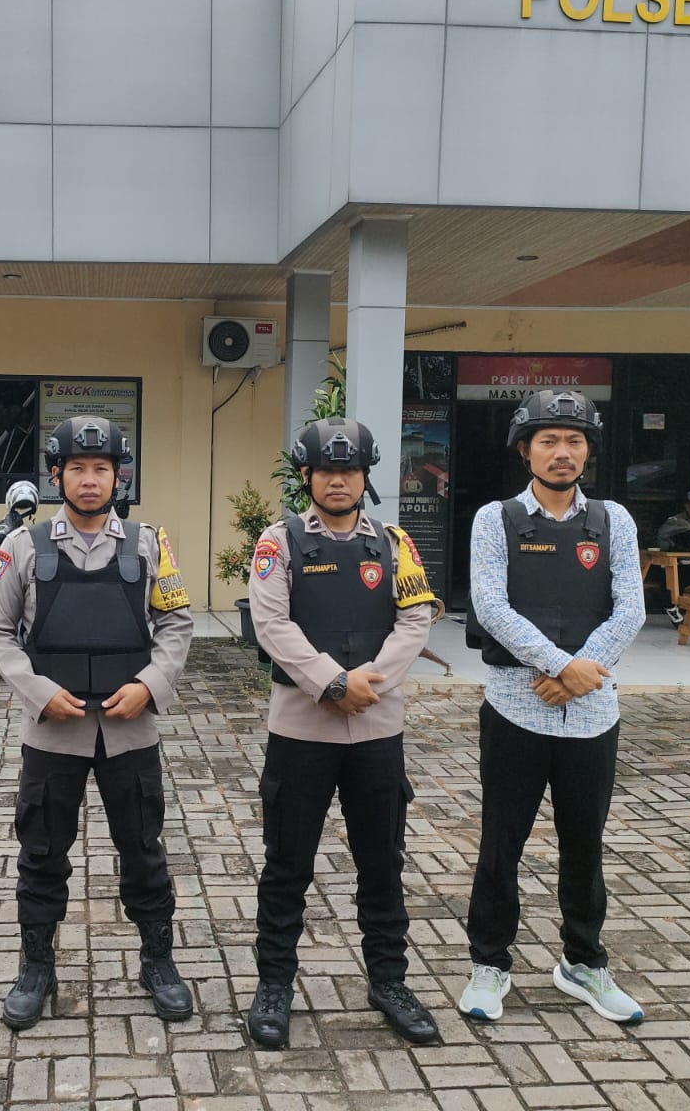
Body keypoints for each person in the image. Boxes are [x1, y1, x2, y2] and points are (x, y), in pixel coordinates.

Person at [0, 416, 195, 1030]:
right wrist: (38, 692)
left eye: (102, 468)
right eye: (77, 468)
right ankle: (36, 967)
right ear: (57, 475)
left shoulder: (149, 544)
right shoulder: (23, 547)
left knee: (143, 849)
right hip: (54, 730)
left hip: (131, 728)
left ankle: (158, 962)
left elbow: (176, 623)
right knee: (42, 852)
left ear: (119, 475)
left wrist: (149, 686)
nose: (91, 479)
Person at [244, 417, 442, 1051]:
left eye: (349, 470)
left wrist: (367, 683)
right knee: (287, 864)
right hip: (301, 731)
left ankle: (389, 981)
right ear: (307, 476)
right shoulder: (278, 542)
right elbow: (272, 625)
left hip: (377, 729)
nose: (338, 480)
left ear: (364, 476)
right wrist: (333, 682)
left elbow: (415, 620)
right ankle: (274, 985)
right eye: (326, 470)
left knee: (382, 863)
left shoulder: (394, 542)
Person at [460, 389, 646, 1026]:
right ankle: (489, 963)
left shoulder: (615, 521)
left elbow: (631, 609)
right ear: (525, 450)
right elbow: (491, 607)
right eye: (548, 440)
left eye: (573, 441)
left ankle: (583, 962)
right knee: (500, 843)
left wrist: (577, 673)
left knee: (584, 845)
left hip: (592, 713)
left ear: (588, 451)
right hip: (515, 707)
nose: (561, 452)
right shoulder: (495, 519)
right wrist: (560, 665)